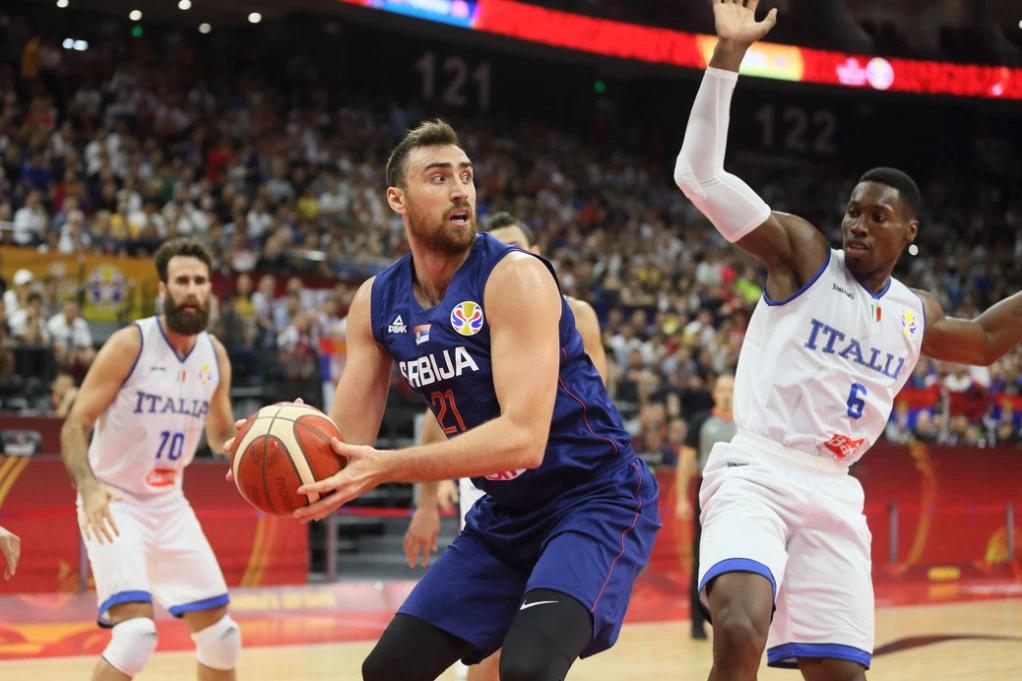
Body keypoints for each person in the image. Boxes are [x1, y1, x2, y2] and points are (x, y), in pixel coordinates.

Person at [225, 119, 660, 681]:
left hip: (593, 497)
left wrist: (390, 467)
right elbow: (344, 447)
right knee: (387, 671)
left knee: (527, 668)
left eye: (466, 176)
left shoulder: (515, 277)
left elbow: (523, 440)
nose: (460, 190)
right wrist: (276, 438)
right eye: (438, 178)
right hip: (507, 516)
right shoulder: (376, 302)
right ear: (397, 199)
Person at [672, 3, 1022, 680]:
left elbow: (983, 340)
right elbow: (701, 177)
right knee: (739, 626)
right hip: (758, 469)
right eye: (853, 211)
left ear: (908, 233)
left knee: (841, 675)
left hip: (835, 491)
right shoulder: (804, 256)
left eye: (877, 216)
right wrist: (729, 52)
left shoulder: (914, 312)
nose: (858, 224)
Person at [402, 211, 610, 681]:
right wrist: (427, 503)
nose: (505, 257)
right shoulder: (465, 317)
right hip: (492, 481)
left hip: (562, 479)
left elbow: (597, 396)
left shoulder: (578, 315)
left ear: (535, 254)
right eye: (496, 248)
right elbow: (438, 414)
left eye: (515, 247)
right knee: (491, 647)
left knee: (533, 643)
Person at [60, 238, 241, 681]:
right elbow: (74, 424)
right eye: (182, 281)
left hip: (169, 504)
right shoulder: (131, 344)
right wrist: (88, 487)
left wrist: (261, 438)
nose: (192, 289)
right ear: (163, 289)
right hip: (114, 501)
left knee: (223, 637)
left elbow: (221, 434)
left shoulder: (214, 355)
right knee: (135, 636)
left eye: (200, 281)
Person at [674, 374, 736, 641]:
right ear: (714, 394)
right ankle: (697, 623)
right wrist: (681, 498)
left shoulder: (747, 422)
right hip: (708, 496)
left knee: (736, 557)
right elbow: (685, 461)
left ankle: (732, 619)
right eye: (722, 389)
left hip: (739, 493)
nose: (726, 394)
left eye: (731, 389)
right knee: (702, 559)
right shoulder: (701, 421)